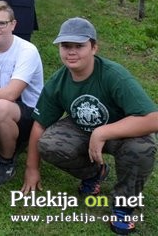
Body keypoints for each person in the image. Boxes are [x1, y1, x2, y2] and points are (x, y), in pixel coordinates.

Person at [22, 18, 158, 235]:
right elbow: (39, 125)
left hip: (121, 132)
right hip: (81, 130)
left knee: (141, 149)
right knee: (48, 144)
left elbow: (153, 119)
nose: (72, 52)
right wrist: (32, 169)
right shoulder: (58, 81)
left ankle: (123, 206)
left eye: (79, 46)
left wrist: (103, 131)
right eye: (66, 46)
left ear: (94, 48)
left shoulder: (114, 75)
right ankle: (95, 173)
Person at [0, 0, 43, 186]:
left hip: (30, 113)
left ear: (13, 24)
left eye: (1, 23)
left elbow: (12, 93)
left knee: (0, 107)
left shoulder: (27, 50)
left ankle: (6, 160)